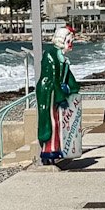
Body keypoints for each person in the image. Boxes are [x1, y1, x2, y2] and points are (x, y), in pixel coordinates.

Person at [35, 22, 80, 166]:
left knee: (59, 121)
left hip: (56, 91)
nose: (71, 45)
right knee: (50, 121)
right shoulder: (51, 54)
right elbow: (53, 77)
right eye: (69, 41)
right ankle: (48, 151)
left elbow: (68, 76)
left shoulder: (62, 57)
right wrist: (60, 94)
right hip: (48, 92)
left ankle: (56, 149)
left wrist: (74, 88)